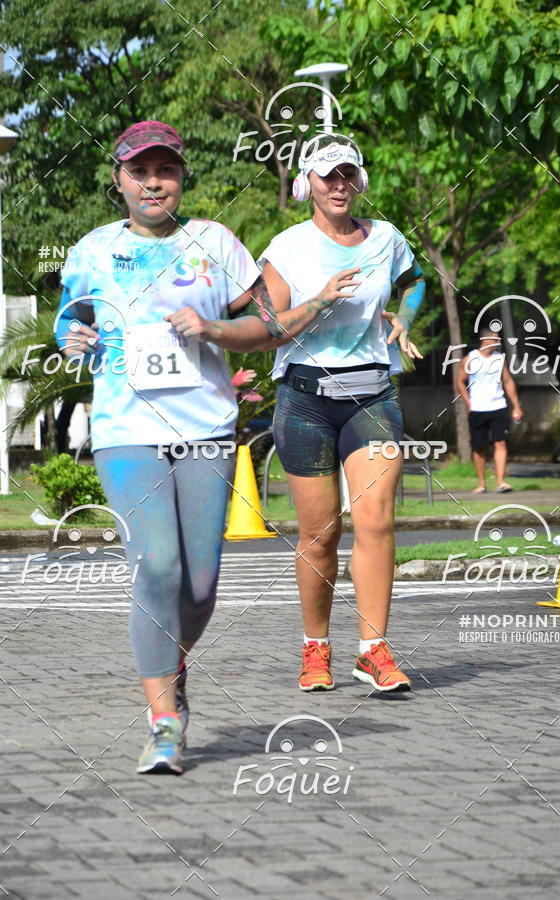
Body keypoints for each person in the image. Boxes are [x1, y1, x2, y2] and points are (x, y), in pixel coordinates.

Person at [55, 120, 355, 774]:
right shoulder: (92, 250)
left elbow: (268, 326)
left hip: (205, 430)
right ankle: (164, 721)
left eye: (164, 170)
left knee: (200, 586)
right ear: (119, 180)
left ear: (181, 177)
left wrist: (213, 326)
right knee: (157, 567)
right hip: (125, 431)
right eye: (140, 171)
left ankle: (172, 663)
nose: (152, 182)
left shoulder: (215, 243)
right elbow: (69, 316)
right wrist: (70, 338)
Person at [259, 134, 426, 694]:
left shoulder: (386, 239)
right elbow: (270, 328)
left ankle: (374, 650)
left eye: (348, 174)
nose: (338, 185)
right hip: (304, 398)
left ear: (361, 181)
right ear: (307, 181)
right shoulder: (286, 248)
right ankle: (316, 648)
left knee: (376, 519)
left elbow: (416, 280)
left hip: (372, 395)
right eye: (327, 175)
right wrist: (321, 300)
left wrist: (403, 315)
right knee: (321, 534)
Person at [455, 326, 524, 493]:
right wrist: (468, 403)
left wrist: (516, 406)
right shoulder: (470, 359)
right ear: (485, 341)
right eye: (495, 339)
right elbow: (459, 382)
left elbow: (507, 381)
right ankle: (481, 483)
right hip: (478, 409)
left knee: (500, 443)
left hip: (498, 406)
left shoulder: (500, 359)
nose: (498, 342)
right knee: (480, 447)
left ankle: (501, 482)